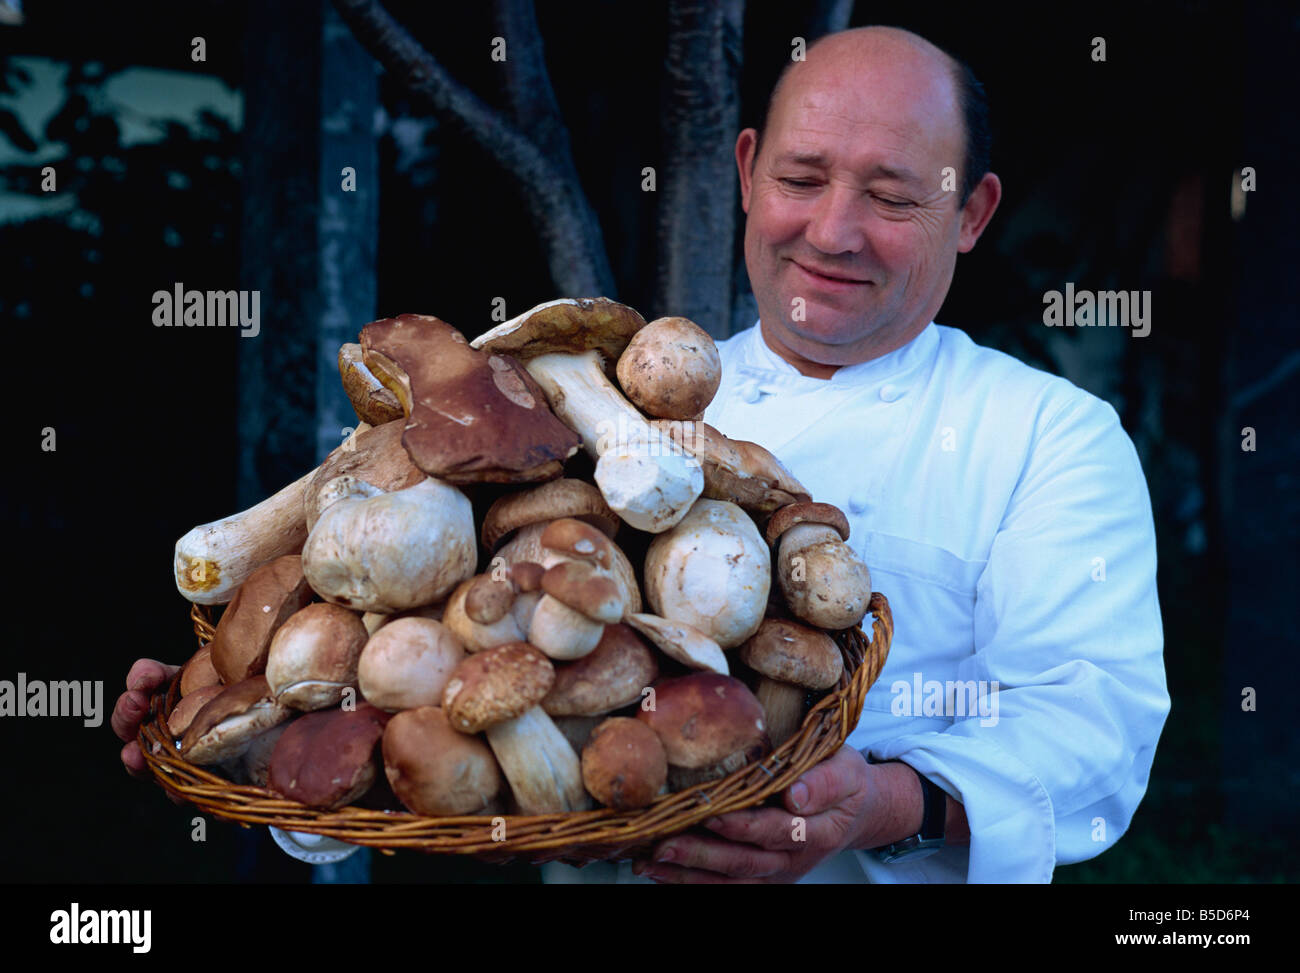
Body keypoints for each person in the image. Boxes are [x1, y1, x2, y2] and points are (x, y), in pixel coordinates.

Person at [114, 25, 1169, 884]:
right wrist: (234, 716)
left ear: (971, 212)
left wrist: (880, 806)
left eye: (892, 197)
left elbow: (1092, 729)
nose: (833, 232)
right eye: (802, 178)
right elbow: (421, 702)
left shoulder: (1048, 436)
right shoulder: (599, 409)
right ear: (749, 173)